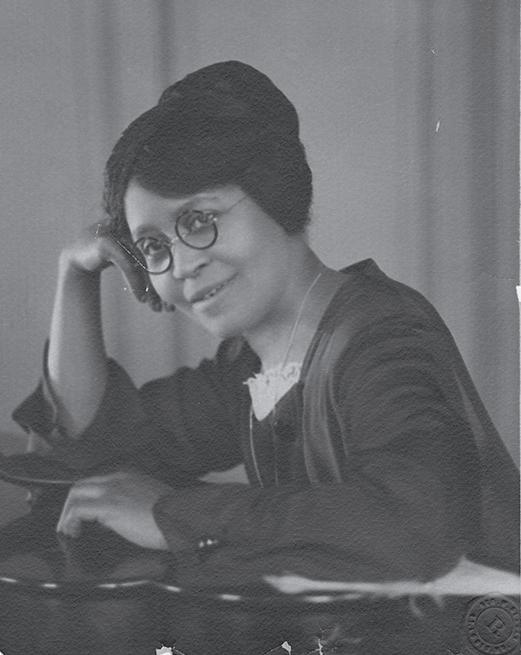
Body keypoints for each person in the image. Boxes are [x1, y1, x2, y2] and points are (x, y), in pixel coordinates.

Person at [13, 61, 519, 590]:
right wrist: (75, 276)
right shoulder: (251, 363)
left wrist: (172, 514)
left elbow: (413, 526)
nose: (182, 265)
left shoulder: (379, 335)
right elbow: (90, 456)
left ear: (275, 192)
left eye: (199, 221)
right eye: (153, 247)